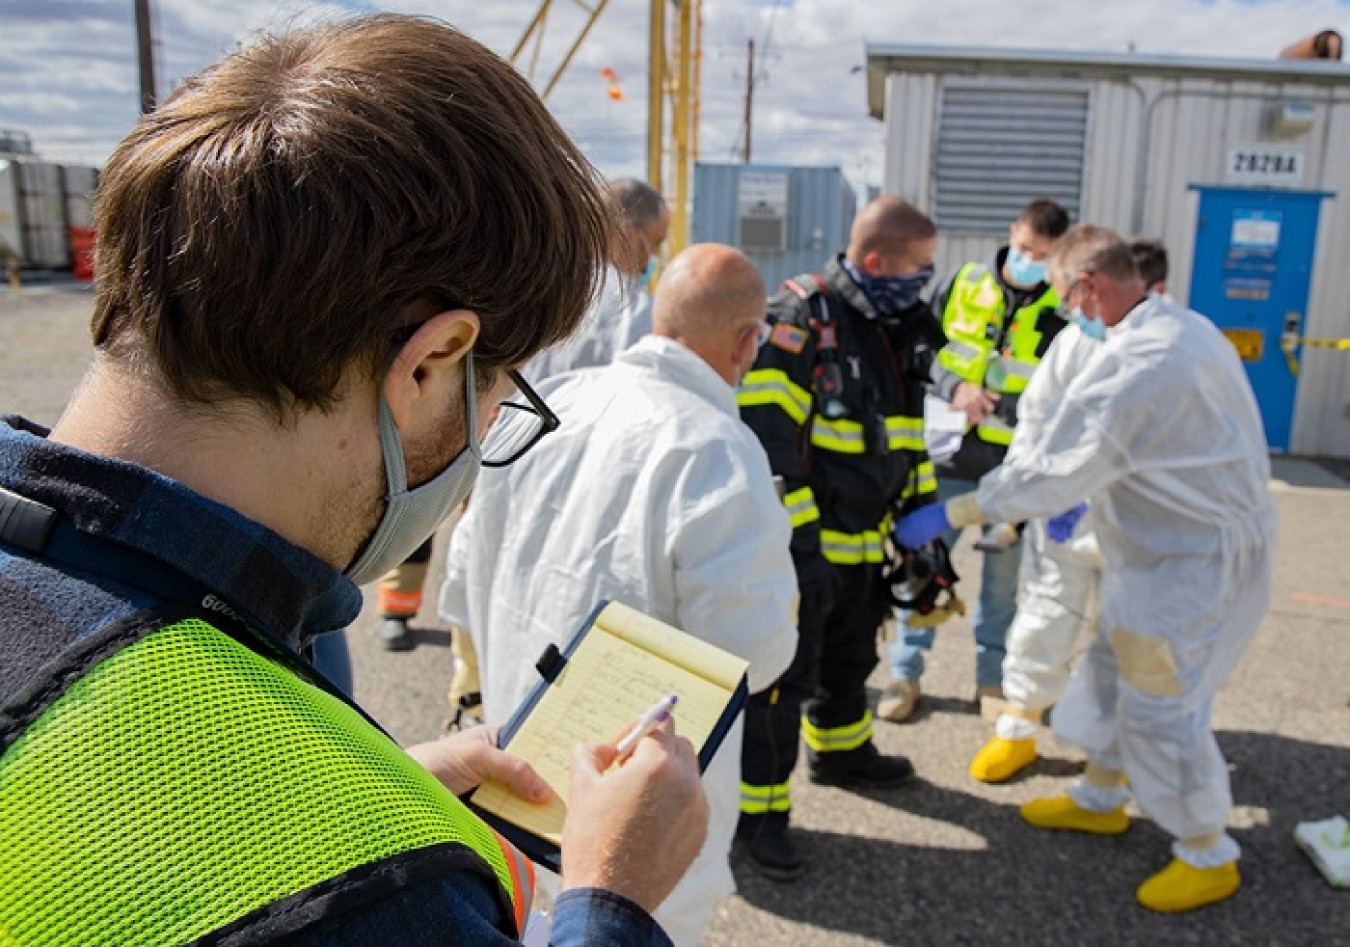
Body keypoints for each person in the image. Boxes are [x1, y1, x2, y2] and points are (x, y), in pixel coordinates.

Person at [0, 15, 709, 945]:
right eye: (499, 396)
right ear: (431, 363)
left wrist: (362, 779)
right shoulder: (381, 899)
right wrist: (612, 899)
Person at [895, 224, 1276, 913]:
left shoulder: (1137, 366)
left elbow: (1049, 474)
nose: (1066, 312)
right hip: (1161, 549)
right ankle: (1102, 792)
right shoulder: (1184, 328)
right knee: (1107, 665)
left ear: (1090, 288)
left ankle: (1207, 847)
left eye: (1068, 297)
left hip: (1188, 563)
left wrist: (950, 516)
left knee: (1163, 701)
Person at [441, 243, 799, 947]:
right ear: (747, 342)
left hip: (516, 757)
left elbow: (465, 561)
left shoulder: (560, 402)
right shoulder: (719, 448)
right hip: (634, 803)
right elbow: (756, 649)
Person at [734, 196, 944, 880]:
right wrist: (801, 550)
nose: (927, 281)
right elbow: (769, 448)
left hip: (865, 542)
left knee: (850, 659)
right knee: (781, 688)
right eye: (920, 267)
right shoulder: (802, 318)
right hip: (806, 547)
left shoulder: (901, 324)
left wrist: (926, 527)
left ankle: (844, 752)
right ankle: (759, 817)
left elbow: (908, 434)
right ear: (878, 262)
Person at [882, 199, 1071, 723]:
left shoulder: (1062, 305)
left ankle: (991, 681)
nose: (1032, 261)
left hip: (1013, 467)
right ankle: (905, 673)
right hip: (946, 459)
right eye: (1028, 248)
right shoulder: (962, 284)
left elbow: (1062, 381)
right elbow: (923, 349)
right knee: (922, 567)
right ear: (1013, 233)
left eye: (1045, 255)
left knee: (1002, 585)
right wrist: (957, 386)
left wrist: (1012, 405)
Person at [526, 177, 668, 382]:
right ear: (632, 236)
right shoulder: (633, 309)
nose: (654, 254)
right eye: (656, 242)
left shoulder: (545, 285)